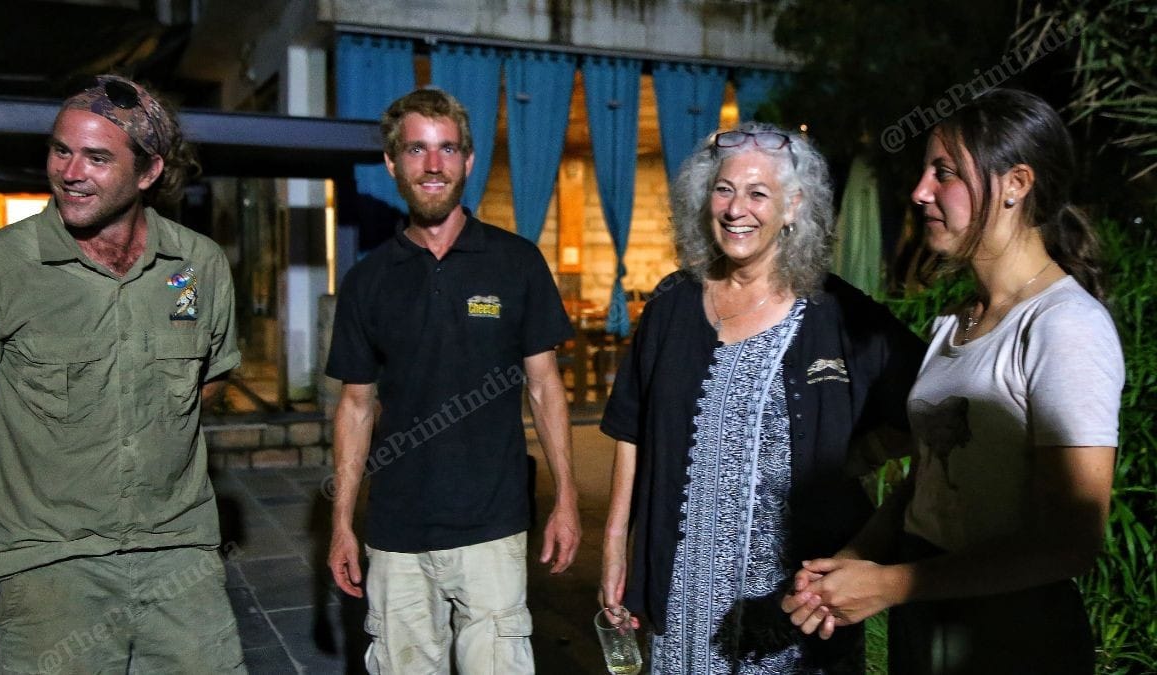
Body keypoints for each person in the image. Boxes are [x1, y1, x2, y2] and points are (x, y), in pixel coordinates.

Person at [782, 89, 1124, 674]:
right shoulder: (957, 324)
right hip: (932, 614)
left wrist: (894, 586)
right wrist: (851, 564)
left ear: (1016, 183)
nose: (919, 192)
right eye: (925, 172)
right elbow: (935, 481)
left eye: (945, 173)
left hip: (1010, 633)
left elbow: (1070, 542)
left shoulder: (1064, 328)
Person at [598, 121, 924, 673]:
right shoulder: (672, 306)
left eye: (757, 193)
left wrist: (858, 458)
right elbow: (632, 427)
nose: (735, 209)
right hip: (682, 604)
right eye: (724, 189)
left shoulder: (836, 313)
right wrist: (613, 541)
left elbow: (930, 399)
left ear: (793, 207)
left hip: (790, 611)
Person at [0, 74, 245, 671]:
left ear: (148, 173)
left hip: (177, 548)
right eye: (60, 150)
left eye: (96, 157)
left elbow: (205, 385)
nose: (69, 171)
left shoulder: (197, 267)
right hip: (47, 557)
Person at [326, 87, 581, 673]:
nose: (433, 165)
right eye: (417, 150)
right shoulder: (368, 282)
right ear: (393, 165)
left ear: (469, 160)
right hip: (395, 535)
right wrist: (342, 523)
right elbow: (356, 406)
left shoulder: (516, 262)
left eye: (448, 149)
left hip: (492, 529)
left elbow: (544, 386)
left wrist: (567, 498)